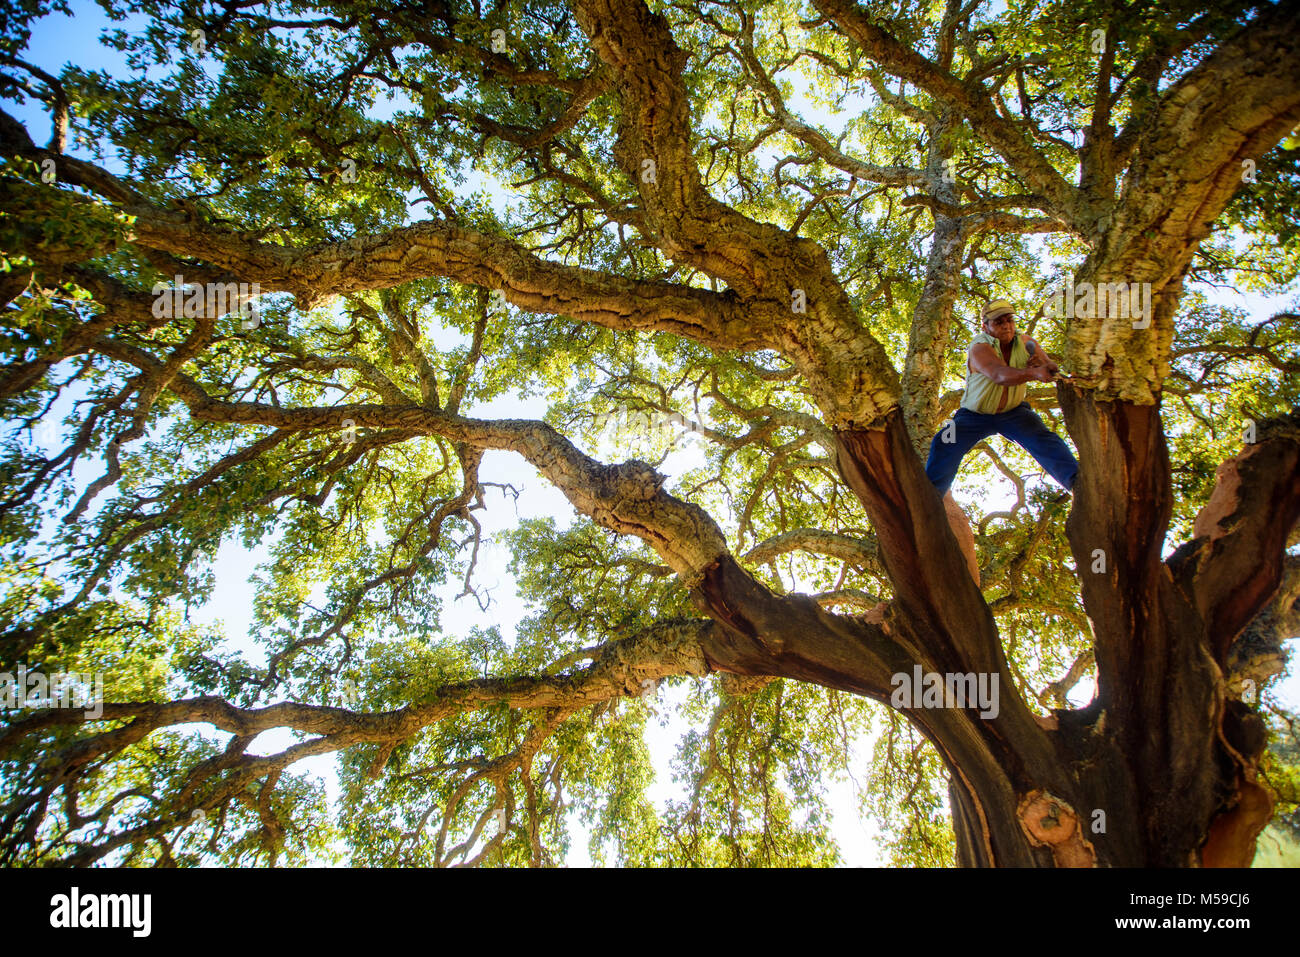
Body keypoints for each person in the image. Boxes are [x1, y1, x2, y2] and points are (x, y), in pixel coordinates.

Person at [925, 299, 1079, 496]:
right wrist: (1034, 373)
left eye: (1009, 320)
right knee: (944, 442)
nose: (1006, 325)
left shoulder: (1026, 342)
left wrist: (1045, 366)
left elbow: (1049, 366)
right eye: (999, 322)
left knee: (1044, 439)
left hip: (1015, 413)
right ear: (985, 326)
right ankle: (930, 501)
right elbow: (999, 375)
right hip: (972, 416)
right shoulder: (979, 347)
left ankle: (1077, 485)